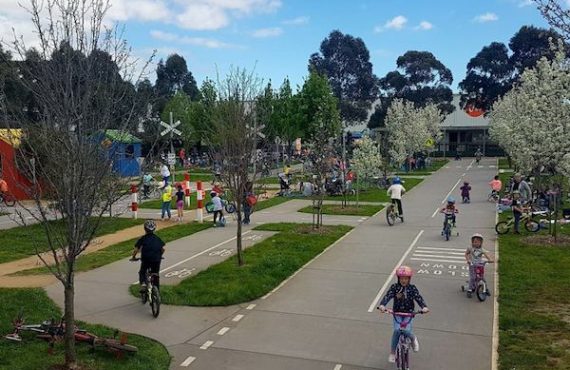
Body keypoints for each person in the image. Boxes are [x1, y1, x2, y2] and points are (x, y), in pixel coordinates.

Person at [378, 266, 429, 363]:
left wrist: (424, 307)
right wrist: (382, 305)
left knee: (406, 330)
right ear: (398, 278)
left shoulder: (412, 288)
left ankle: (413, 338)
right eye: (401, 278)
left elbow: (418, 298)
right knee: (397, 330)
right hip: (397, 313)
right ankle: (393, 353)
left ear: (409, 279)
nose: (403, 280)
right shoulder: (394, 287)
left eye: (406, 278)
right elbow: (388, 296)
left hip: (409, 313)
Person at [132, 220, 165, 292]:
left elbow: (136, 249)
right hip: (156, 259)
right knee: (155, 273)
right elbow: (163, 249)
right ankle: (157, 291)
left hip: (146, 259)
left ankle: (143, 284)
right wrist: (160, 255)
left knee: (142, 272)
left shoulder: (143, 238)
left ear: (144, 229)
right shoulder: (157, 238)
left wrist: (133, 257)